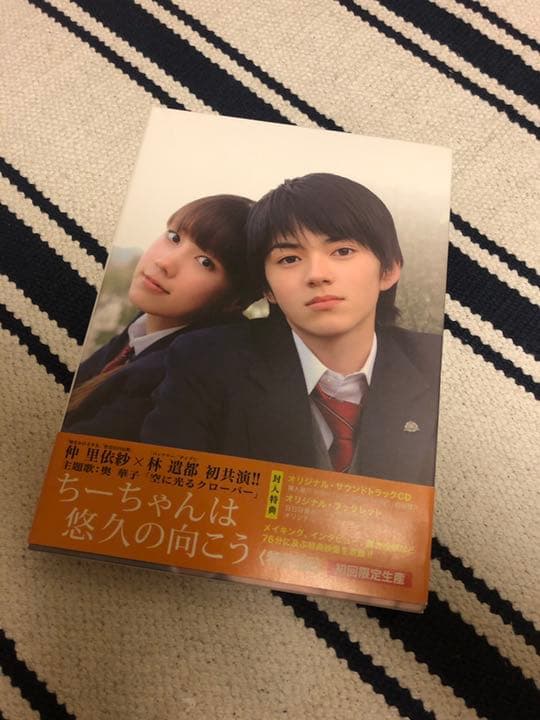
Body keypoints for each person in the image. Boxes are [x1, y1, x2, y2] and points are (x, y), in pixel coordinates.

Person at [142, 174, 442, 485]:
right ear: (267, 289)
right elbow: (161, 488)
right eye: (289, 258)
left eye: (342, 251)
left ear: (389, 269)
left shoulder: (436, 364)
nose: (317, 275)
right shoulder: (206, 362)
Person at [63, 193, 256, 440]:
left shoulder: (179, 377)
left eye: (205, 262)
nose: (165, 262)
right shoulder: (147, 325)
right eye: (174, 237)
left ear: (235, 301)